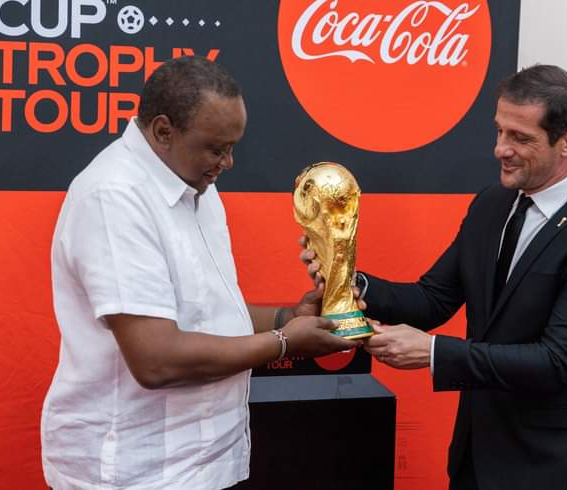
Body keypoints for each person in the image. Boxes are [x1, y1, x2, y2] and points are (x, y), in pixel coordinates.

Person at [302, 64, 567, 489]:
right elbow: (432, 299)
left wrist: (432, 353)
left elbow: (555, 361)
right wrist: (349, 282)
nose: (501, 149)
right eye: (500, 131)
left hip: (554, 465)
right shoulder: (491, 204)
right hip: (474, 456)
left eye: (520, 137)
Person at [41, 56, 355, 490]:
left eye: (232, 147)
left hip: (208, 462)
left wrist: (288, 316)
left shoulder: (195, 185)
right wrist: (284, 342)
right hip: (137, 472)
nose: (227, 163)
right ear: (163, 131)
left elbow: (207, 313)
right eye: (216, 148)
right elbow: (157, 360)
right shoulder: (113, 197)